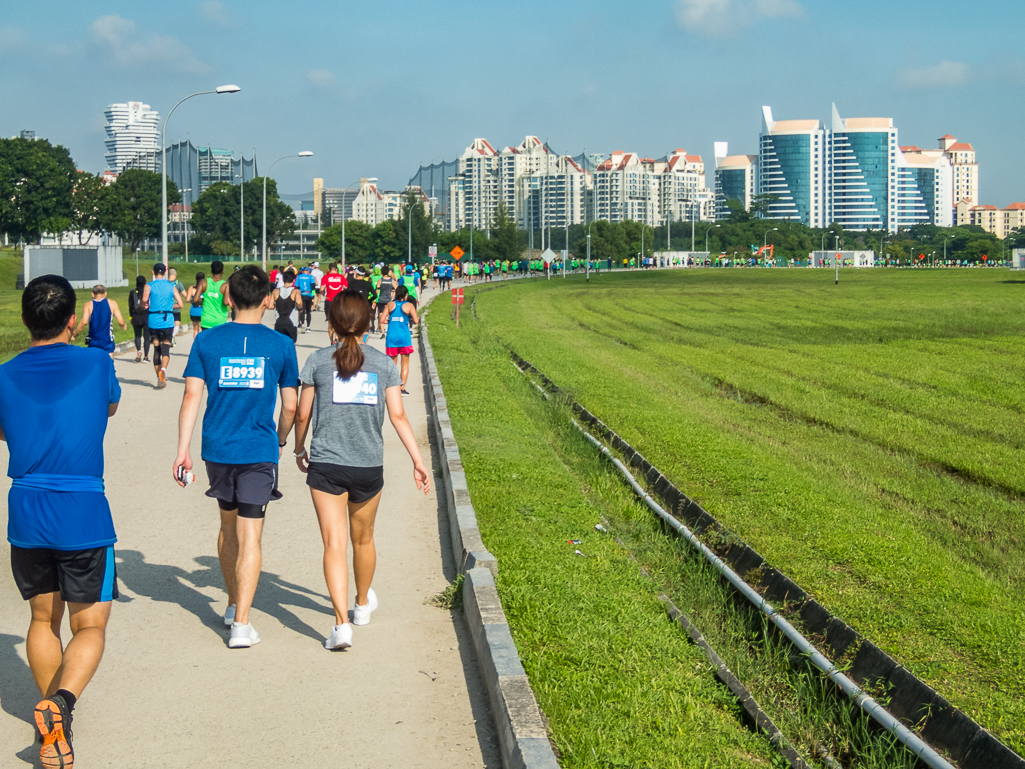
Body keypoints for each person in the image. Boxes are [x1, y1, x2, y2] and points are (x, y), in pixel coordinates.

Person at [0, 275, 122, 769]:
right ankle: (61, 706)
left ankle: (54, 734)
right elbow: (109, 406)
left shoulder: (4, 373)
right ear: (73, 319)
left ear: (27, 320)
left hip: (27, 509)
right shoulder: (97, 364)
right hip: (83, 512)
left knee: (40, 620)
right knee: (89, 624)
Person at [293, 290, 429, 650]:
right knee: (363, 539)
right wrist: (418, 460)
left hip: (325, 465)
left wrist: (298, 447)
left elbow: (302, 413)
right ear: (369, 322)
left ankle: (340, 626)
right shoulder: (384, 364)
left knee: (334, 543)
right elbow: (398, 415)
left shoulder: (318, 361)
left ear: (331, 324)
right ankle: (362, 604)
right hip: (369, 465)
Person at [174, 265, 299, 649]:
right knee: (251, 535)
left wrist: (183, 450)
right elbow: (291, 406)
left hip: (217, 448)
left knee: (228, 529)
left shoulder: (206, 341)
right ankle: (242, 624)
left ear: (228, 297)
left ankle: (232, 604)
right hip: (258, 450)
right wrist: (279, 439)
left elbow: (191, 396)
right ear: (267, 299)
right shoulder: (281, 345)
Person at [142, 263, 183, 389]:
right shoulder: (171, 286)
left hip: (153, 319)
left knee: (156, 349)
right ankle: (164, 369)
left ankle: (159, 377)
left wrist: (146, 305)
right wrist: (169, 307)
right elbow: (180, 304)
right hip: (168, 320)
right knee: (165, 348)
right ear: (165, 273)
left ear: (153, 272)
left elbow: (144, 300)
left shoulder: (148, 286)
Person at [73, 284, 126, 357]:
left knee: (94, 364)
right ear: (105, 293)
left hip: (93, 340)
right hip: (107, 340)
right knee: (108, 364)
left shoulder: (88, 305)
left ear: (92, 293)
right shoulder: (112, 303)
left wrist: (75, 333)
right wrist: (123, 326)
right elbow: (121, 321)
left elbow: (84, 322)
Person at [384, 285, 418, 396]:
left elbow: (381, 319)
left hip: (392, 337)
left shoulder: (390, 305)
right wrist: (407, 319)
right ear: (406, 295)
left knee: (392, 364)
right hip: (404, 338)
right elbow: (416, 321)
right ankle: (402, 388)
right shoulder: (409, 306)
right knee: (405, 364)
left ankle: (392, 387)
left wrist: (391, 321)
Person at [199, 261, 230, 333]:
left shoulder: (204, 282)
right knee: (219, 343)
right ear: (223, 271)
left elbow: (196, 298)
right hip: (220, 321)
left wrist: (206, 298)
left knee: (207, 343)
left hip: (206, 320)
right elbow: (225, 302)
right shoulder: (225, 285)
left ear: (211, 271)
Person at [272, 269, 302, 342]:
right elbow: (298, 302)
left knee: (279, 343)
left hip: (278, 322)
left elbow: (270, 306)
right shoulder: (295, 291)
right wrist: (300, 308)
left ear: (283, 279)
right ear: (294, 280)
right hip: (291, 322)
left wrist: (276, 305)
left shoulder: (276, 291)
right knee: (292, 344)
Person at [127, 276, 151, 363]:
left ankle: (139, 352)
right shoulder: (147, 292)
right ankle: (146, 356)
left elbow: (130, 307)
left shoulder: (132, 292)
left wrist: (130, 317)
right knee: (146, 337)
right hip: (146, 315)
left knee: (137, 336)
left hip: (135, 316)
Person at [375, 265, 396, 339]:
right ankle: (390, 332)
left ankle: (383, 334)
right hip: (388, 300)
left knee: (381, 316)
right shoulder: (391, 280)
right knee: (390, 316)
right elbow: (396, 288)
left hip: (381, 299)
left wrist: (375, 299)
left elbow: (377, 290)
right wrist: (394, 296)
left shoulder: (380, 280)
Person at [295, 266, 317, 333]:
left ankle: (302, 324)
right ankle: (308, 326)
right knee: (308, 311)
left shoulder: (299, 277)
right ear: (308, 271)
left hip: (301, 295)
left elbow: (296, 286)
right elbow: (313, 286)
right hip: (309, 294)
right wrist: (313, 295)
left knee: (302, 310)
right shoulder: (311, 277)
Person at [184, 272, 206, 338]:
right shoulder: (205, 288)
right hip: (204, 310)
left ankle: (196, 344)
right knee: (202, 329)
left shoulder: (191, 288)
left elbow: (187, 299)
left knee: (195, 329)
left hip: (194, 310)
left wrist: (193, 302)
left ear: (195, 278)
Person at [168, 268, 186, 341]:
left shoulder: (166, 283)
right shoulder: (178, 283)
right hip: (177, 306)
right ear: (175, 275)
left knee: (169, 324)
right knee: (177, 324)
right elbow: (184, 294)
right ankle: (172, 336)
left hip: (168, 306)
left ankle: (169, 336)